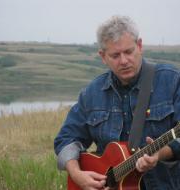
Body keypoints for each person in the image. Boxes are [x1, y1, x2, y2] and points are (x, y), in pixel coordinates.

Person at [54, 15, 180, 190]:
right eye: (115, 55)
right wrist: (77, 175)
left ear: (140, 46)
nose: (123, 61)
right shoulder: (92, 93)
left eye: (128, 52)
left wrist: (159, 153)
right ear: (103, 56)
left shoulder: (171, 81)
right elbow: (66, 140)